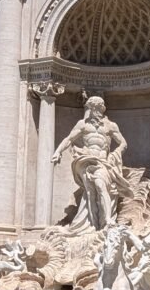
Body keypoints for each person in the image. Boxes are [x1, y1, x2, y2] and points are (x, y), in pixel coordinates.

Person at [52, 96, 127, 232]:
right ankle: (91, 225)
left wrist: (115, 155)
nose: (95, 110)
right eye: (92, 108)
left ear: (102, 108)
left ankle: (107, 220)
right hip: (86, 160)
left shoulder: (110, 126)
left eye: (98, 107)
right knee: (89, 191)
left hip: (103, 162)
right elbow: (69, 139)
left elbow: (123, 143)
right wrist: (58, 152)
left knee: (100, 184)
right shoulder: (83, 124)